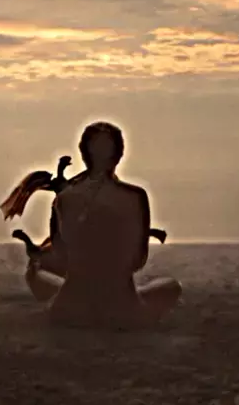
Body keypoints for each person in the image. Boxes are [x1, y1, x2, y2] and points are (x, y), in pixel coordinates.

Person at [25, 121, 182, 330]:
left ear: (83, 154)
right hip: (121, 308)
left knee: (48, 280)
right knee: (170, 287)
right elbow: (138, 260)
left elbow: (61, 256)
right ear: (119, 155)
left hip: (69, 308)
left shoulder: (63, 198)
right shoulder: (135, 196)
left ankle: (39, 276)